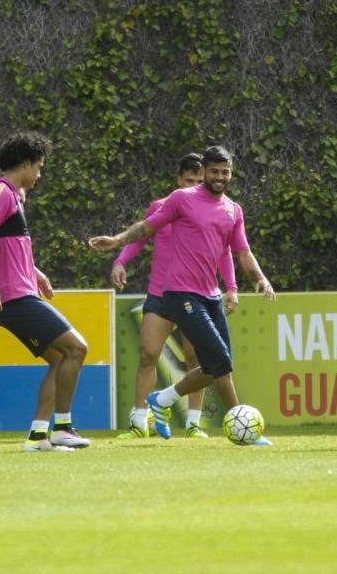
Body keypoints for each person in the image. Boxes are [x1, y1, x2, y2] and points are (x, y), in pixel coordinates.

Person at [89, 145, 276, 444]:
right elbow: (147, 227)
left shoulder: (233, 210)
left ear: (231, 173)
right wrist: (117, 243)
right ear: (204, 172)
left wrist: (258, 278)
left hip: (210, 295)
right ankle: (244, 433)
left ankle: (163, 400)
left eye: (225, 172)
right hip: (179, 293)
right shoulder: (182, 199)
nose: (219, 177)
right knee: (212, 360)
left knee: (220, 364)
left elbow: (241, 252)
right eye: (214, 171)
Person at [0, 130, 90, 451]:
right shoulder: (0, 191)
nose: (40, 174)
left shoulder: (14, 196)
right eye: (38, 167)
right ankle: (63, 427)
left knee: (60, 359)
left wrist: (36, 273)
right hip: (12, 298)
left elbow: (4, 245)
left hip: (21, 294)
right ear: (24, 164)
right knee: (77, 349)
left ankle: (38, 436)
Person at [111, 152, 238, 439]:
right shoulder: (166, 205)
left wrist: (231, 286)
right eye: (189, 179)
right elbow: (141, 236)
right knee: (148, 354)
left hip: (195, 295)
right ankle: (139, 422)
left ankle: (194, 422)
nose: (194, 184)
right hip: (162, 293)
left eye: (198, 179)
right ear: (179, 180)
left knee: (198, 359)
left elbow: (224, 249)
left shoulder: (214, 209)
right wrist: (120, 261)